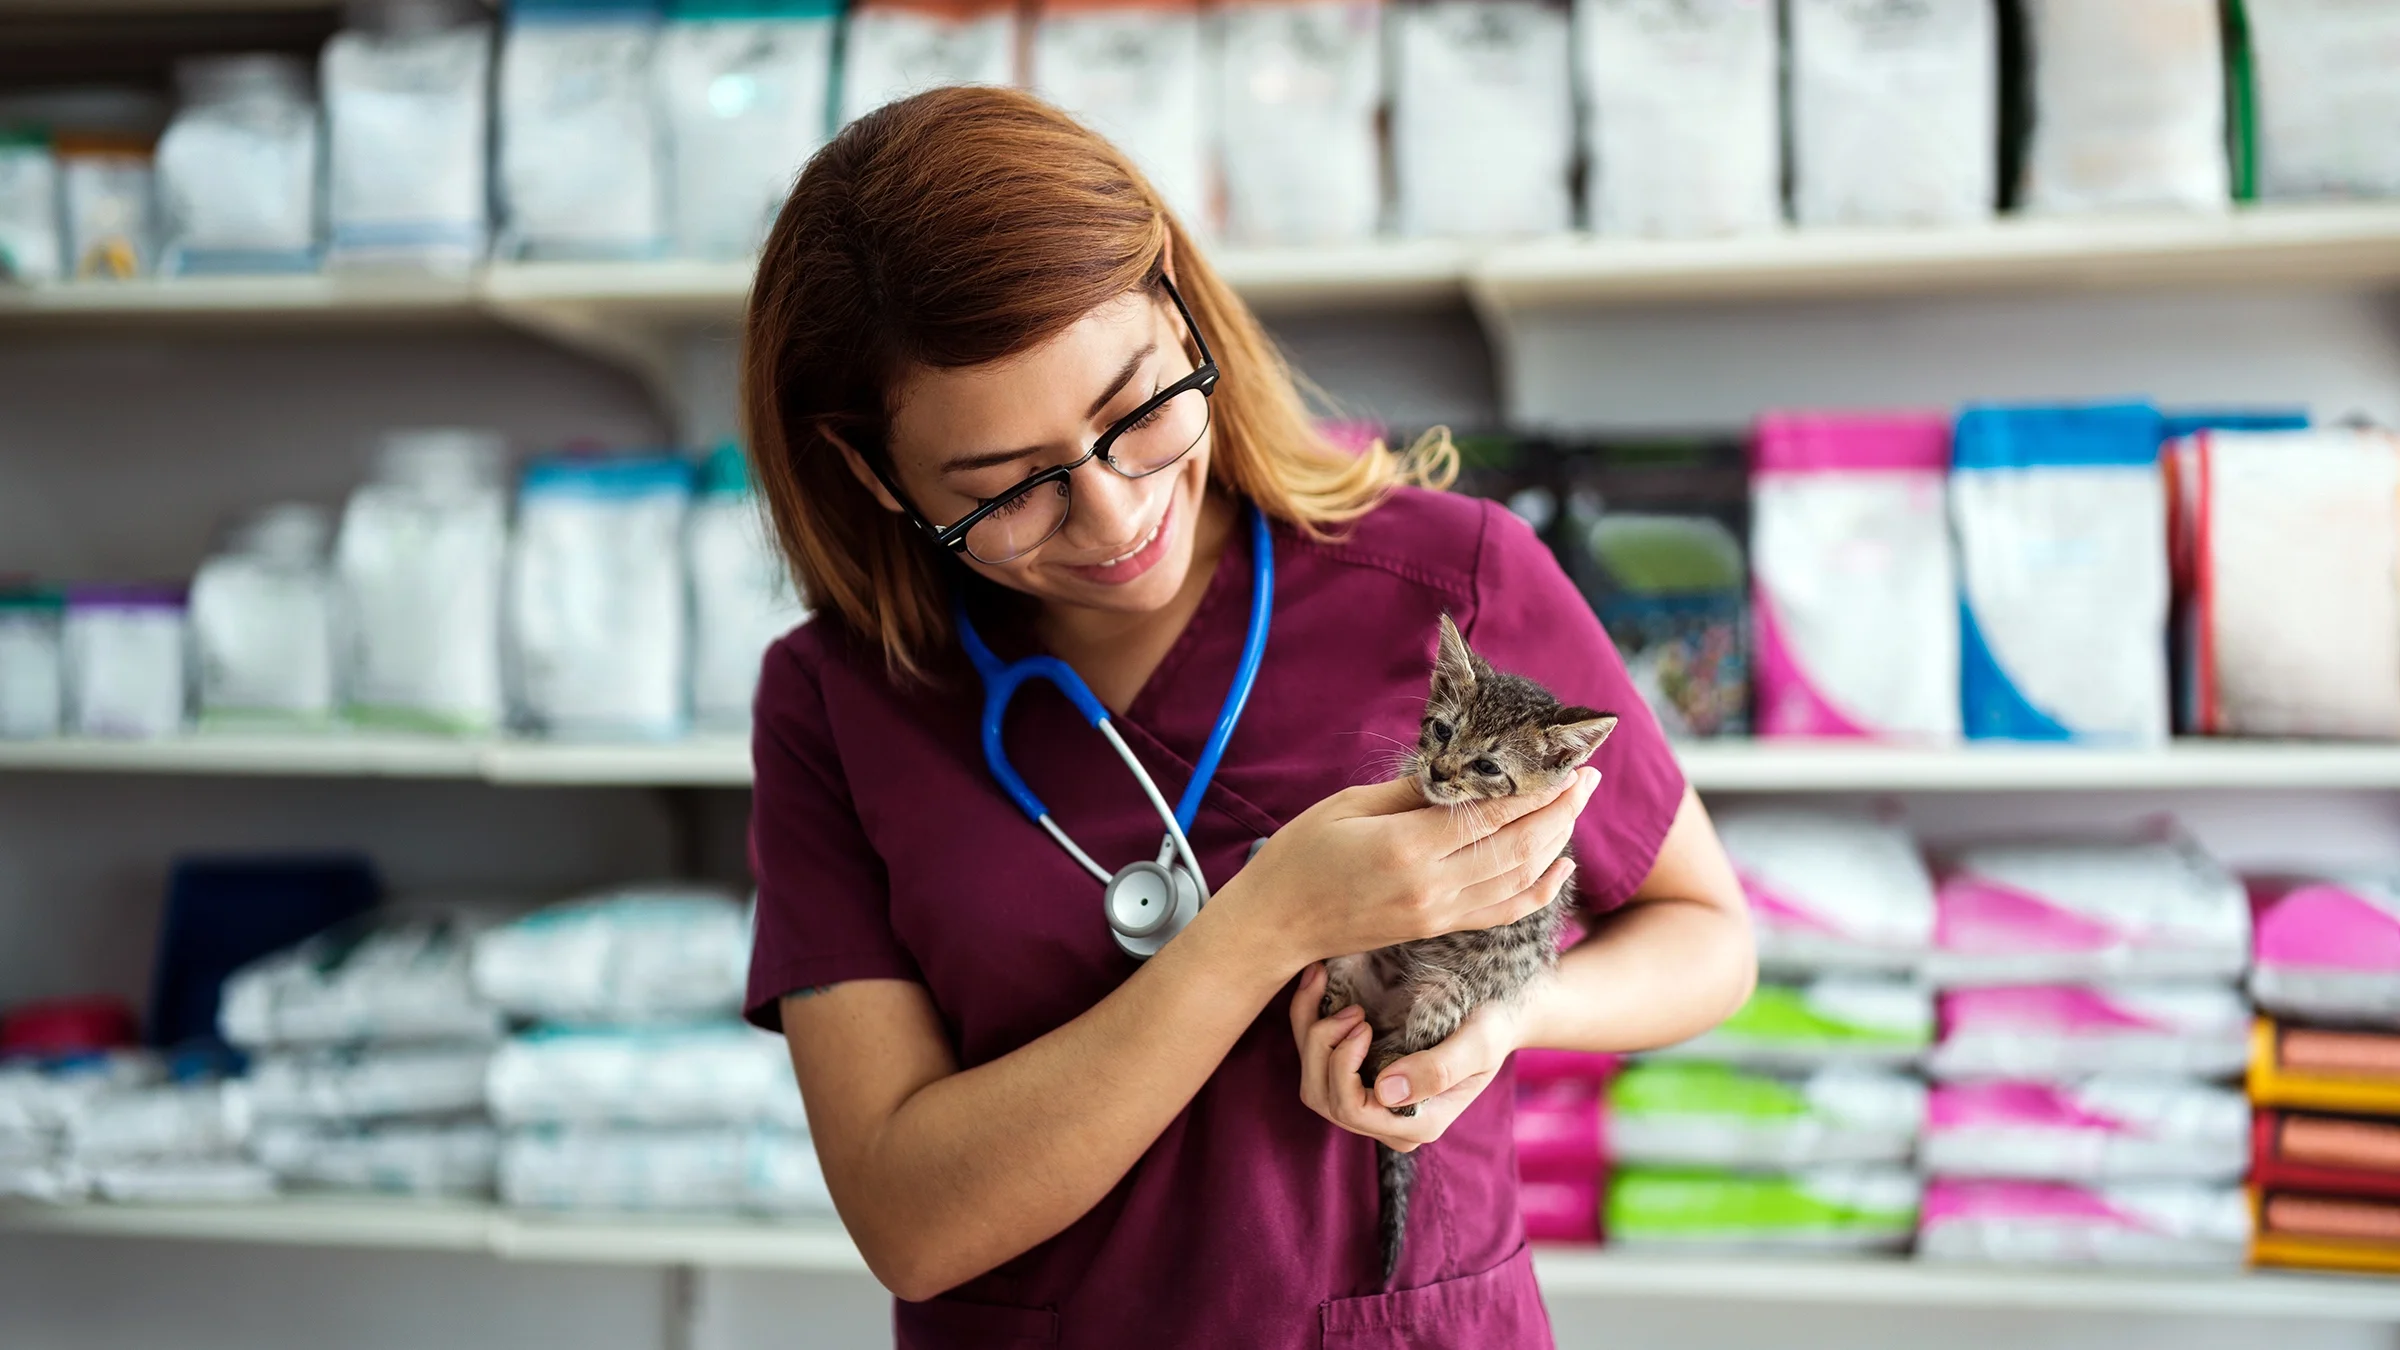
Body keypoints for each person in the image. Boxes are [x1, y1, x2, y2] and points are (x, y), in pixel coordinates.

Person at [741, 86, 1755, 1350]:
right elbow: (911, 1222)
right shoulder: (835, 704)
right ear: (872, 476)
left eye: (1139, 410)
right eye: (1009, 492)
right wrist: (1264, 926)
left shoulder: (1455, 579)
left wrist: (1510, 1022)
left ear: (1175, 297)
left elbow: (1707, 934)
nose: (1115, 521)